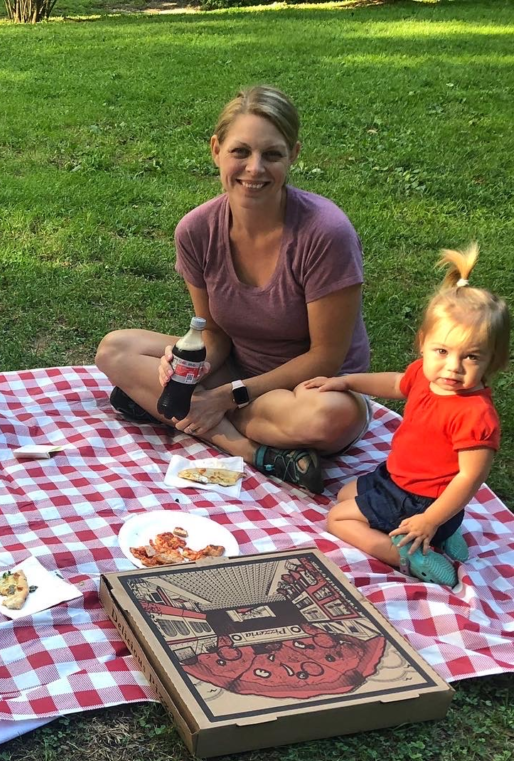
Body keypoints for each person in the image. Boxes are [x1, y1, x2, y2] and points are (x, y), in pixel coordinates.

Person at [96, 85, 371, 495]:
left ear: (293, 155)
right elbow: (214, 332)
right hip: (239, 370)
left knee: (328, 418)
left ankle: (169, 407)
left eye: (272, 154)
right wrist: (195, 365)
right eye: (240, 151)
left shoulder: (325, 233)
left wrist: (224, 396)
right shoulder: (196, 230)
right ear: (216, 150)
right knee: (114, 349)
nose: (254, 168)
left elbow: (326, 357)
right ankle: (254, 452)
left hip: (311, 388)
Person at [307, 245, 507, 588]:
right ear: (423, 343)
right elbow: (397, 382)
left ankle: (409, 552)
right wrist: (346, 380)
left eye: (471, 357)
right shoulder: (425, 376)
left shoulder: (475, 415)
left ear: (494, 361)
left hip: (422, 501)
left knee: (338, 519)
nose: (453, 367)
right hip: (397, 479)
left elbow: (469, 479)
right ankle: (443, 535)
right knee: (344, 495)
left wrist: (429, 519)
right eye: (442, 351)